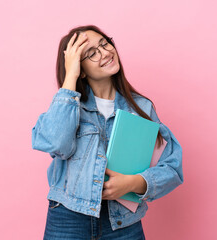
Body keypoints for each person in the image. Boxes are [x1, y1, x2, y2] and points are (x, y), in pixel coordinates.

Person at [31, 25, 183, 240]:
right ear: (80, 68)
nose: (105, 52)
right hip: (68, 218)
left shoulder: (141, 108)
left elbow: (172, 166)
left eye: (105, 43)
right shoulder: (68, 106)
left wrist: (134, 184)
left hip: (122, 222)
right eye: (92, 53)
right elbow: (56, 143)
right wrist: (70, 79)